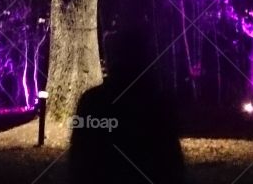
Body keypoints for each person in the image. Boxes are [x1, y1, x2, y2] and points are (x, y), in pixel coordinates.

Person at [70, 28, 184, 184]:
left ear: (112, 58)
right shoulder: (159, 102)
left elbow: (79, 162)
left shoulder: (93, 101)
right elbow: (172, 165)